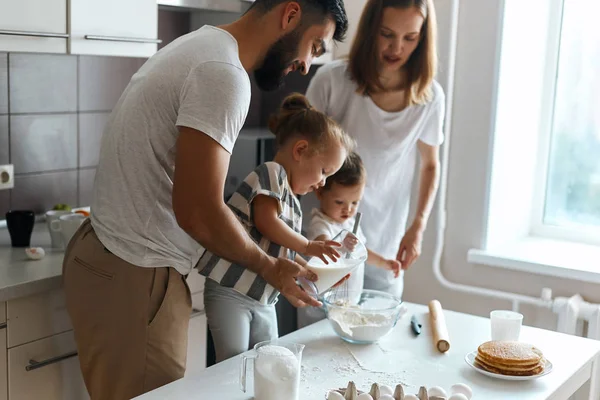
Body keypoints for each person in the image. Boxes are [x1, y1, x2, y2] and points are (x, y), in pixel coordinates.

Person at [61, 1, 348, 399]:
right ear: (291, 14)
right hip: (136, 274)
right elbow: (199, 211)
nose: (305, 64)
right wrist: (268, 266)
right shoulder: (224, 75)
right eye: (315, 46)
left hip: (113, 259)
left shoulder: (201, 46)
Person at [304, 0, 444, 299]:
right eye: (387, 34)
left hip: (385, 242)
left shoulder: (429, 97)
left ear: (423, 38)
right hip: (326, 240)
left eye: (410, 38)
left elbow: (431, 165)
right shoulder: (332, 81)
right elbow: (299, 155)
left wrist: (418, 226)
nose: (397, 48)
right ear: (370, 30)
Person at [198, 93, 353, 362]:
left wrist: (321, 277)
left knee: (269, 360)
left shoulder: (292, 202)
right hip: (231, 290)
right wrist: (307, 245)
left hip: (264, 299)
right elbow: (266, 222)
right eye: (324, 171)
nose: (323, 183)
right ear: (301, 150)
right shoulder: (271, 173)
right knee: (233, 362)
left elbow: (284, 257)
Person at [297, 151, 401, 327]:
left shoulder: (350, 223)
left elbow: (362, 251)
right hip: (320, 308)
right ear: (320, 192)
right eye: (339, 202)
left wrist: (384, 262)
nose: (348, 209)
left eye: (355, 203)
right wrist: (342, 244)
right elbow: (324, 245)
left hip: (348, 304)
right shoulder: (320, 224)